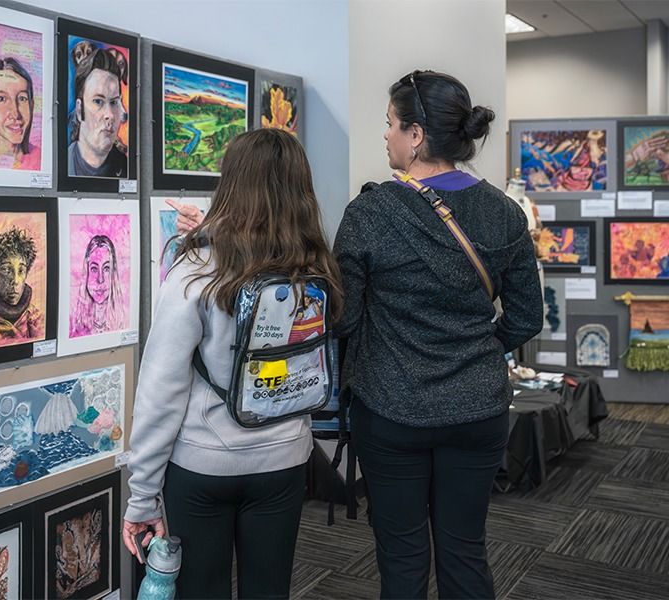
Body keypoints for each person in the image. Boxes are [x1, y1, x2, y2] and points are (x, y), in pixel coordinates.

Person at [333, 70, 543, 599]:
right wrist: (476, 352)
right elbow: (525, 319)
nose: (385, 135)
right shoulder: (504, 213)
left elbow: (344, 320)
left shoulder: (369, 213)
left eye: (389, 125)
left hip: (391, 411)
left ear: (417, 135)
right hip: (478, 411)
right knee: (465, 550)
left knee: (402, 560)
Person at [122, 128, 343, 599]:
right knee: (269, 591)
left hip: (203, 466)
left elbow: (160, 392)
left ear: (229, 186)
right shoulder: (315, 270)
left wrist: (142, 496)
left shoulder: (195, 271)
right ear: (300, 191)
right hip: (285, 459)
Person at [68, 47, 127, 178]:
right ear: (79, 110)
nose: (110, 115)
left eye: (113, 102)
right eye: (98, 102)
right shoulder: (64, 166)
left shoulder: (127, 168)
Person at [0, 57, 40, 170]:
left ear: (31, 106)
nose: (15, 113)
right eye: (1, 99)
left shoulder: (40, 160)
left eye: (22, 99)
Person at [69, 234, 126, 337]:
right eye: (94, 269)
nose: (100, 279)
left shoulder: (123, 321)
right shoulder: (74, 323)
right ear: (86, 272)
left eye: (106, 269)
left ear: (113, 273)